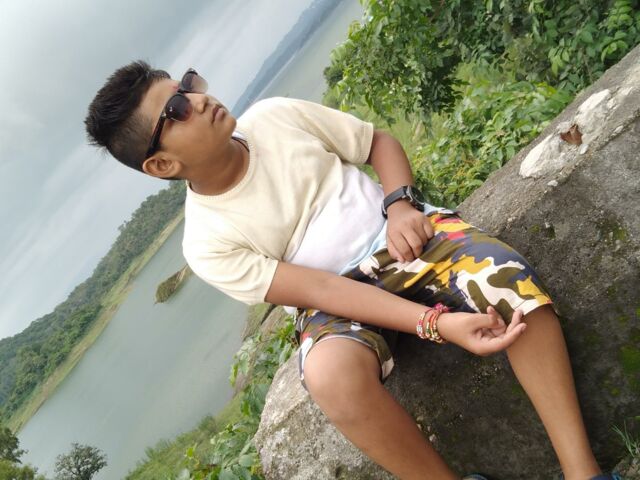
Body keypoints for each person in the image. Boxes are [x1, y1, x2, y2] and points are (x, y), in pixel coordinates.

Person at [85, 61, 619, 480]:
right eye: (177, 108)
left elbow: (376, 142)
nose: (199, 99)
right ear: (161, 164)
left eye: (188, 85)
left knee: (504, 277)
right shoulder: (206, 242)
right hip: (333, 300)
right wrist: (435, 324)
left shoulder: (273, 118)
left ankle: (583, 471)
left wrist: (400, 205)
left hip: (404, 240)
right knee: (329, 377)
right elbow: (318, 288)